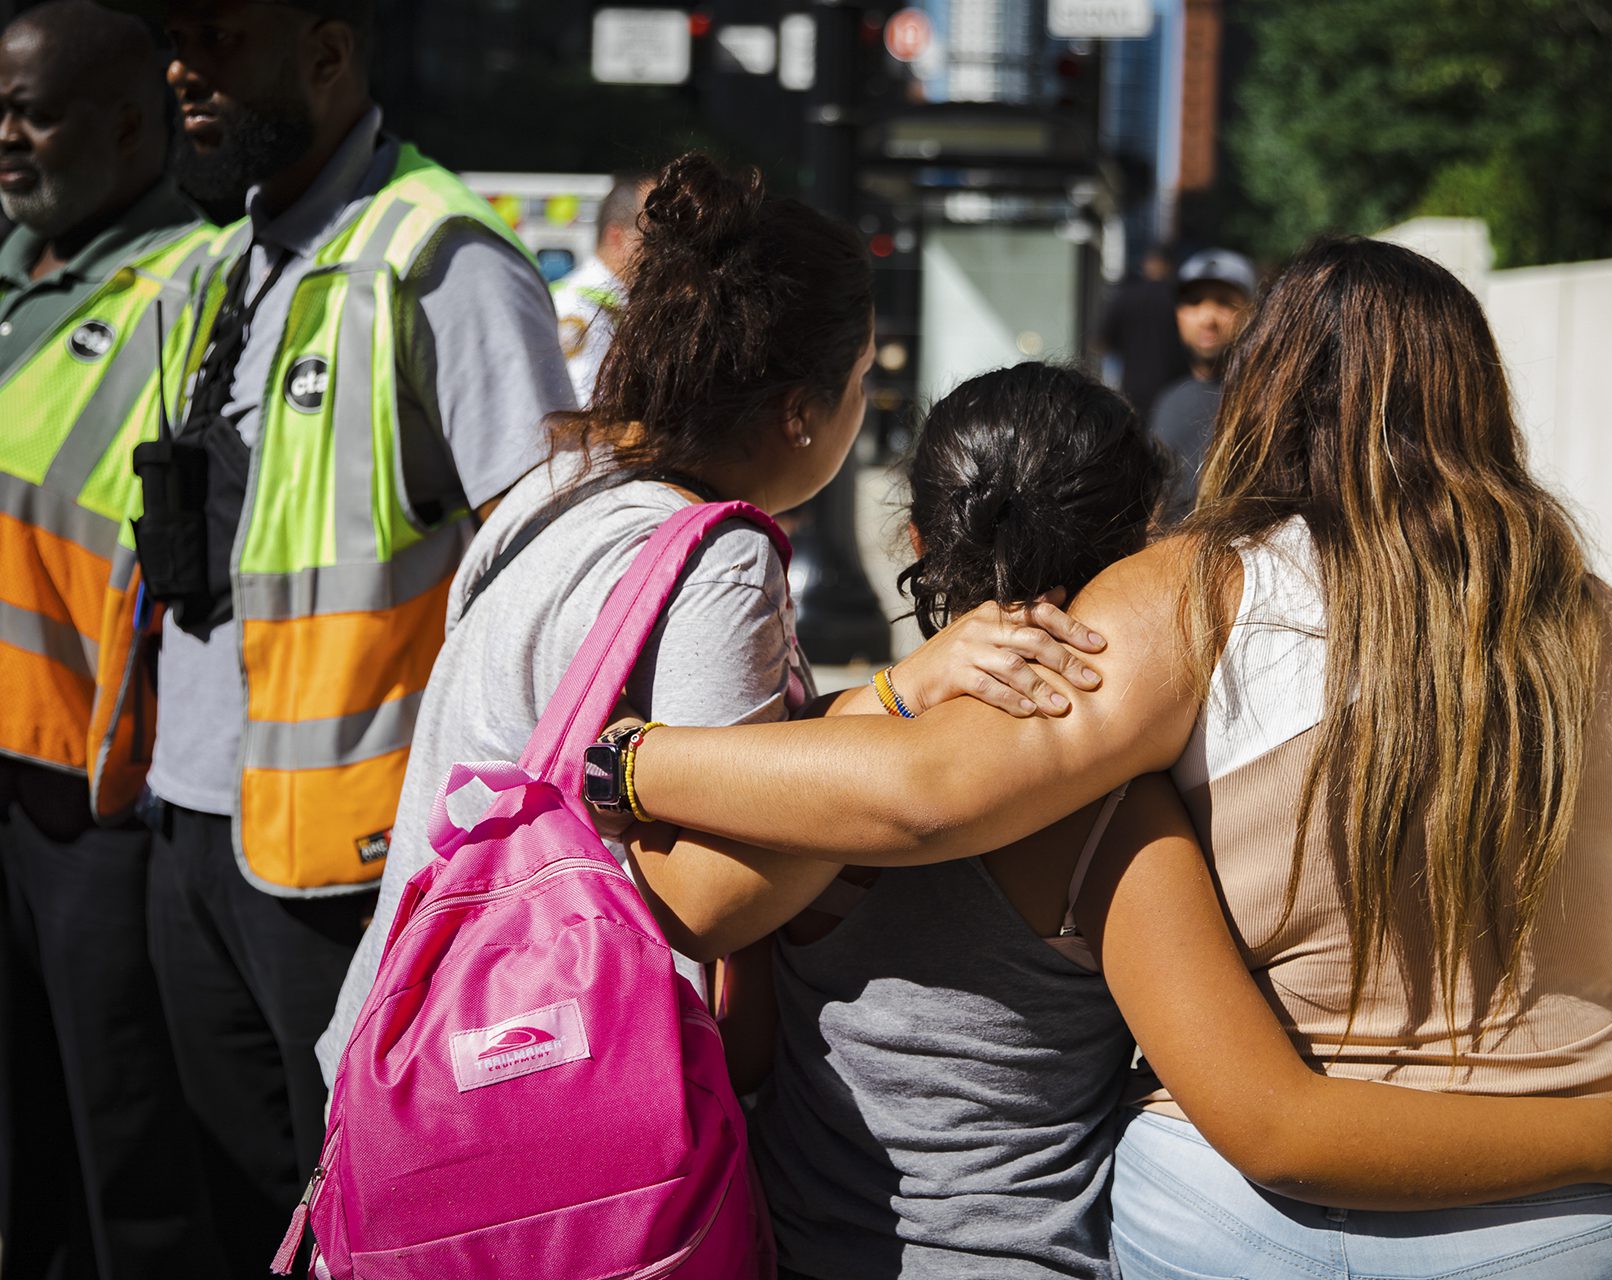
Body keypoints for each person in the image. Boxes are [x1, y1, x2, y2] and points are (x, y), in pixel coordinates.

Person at [623, 238, 1612, 1277]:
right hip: (1597, 1218)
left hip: (1248, 1228)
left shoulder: (1201, 598)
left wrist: (632, 762)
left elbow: (932, 787)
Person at [321, 154, 1106, 1088]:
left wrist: (893, 688)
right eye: (858, 382)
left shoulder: (558, 486)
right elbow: (712, 896)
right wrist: (900, 716)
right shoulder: (717, 560)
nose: (862, 410)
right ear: (800, 415)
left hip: (405, 1030)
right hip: (532, 1091)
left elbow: (721, 764)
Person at [142, 0, 574, 1269]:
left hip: (352, 855)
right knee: (231, 1196)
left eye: (217, 37)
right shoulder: (238, 254)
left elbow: (541, 560)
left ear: (326, 53)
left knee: (349, 1204)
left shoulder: (442, 259)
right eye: (175, 40)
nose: (184, 68)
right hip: (197, 814)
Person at [0, 5, 223, 1275]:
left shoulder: (179, 287)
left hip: (93, 800)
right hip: (5, 780)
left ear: (133, 123)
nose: (8, 135)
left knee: (121, 1142)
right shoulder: (17, 267)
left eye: (37, 110)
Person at [1148, 246, 1255, 519]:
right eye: (1194, 302)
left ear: (1252, 311)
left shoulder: (1267, 400)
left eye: (1224, 302)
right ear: (1178, 314)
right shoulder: (1169, 399)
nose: (1208, 319)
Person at [552, 170, 654, 403]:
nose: (667, 251)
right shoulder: (578, 309)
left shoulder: (617, 304)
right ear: (617, 238)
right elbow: (580, 414)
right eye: (653, 237)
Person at [1093, 243, 1183, 414]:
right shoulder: (1177, 299)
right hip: (1171, 386)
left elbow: (1100, 342)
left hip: (1131, 386)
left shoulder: (1126, 296)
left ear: (1146, 264)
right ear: (1169, 266)